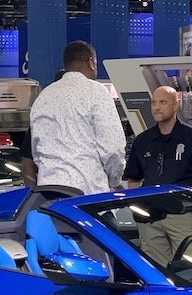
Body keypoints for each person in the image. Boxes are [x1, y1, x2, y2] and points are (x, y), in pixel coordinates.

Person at [122, 86, 192, 264]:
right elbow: (134, 180)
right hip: (149, 219)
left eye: (163, 102)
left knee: (191, 269)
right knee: (156, 272)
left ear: (176, 105)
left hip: (183, 217)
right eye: (154, 103)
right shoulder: (142, 141)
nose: (157, 107)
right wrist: (138, 208)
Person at [30, 41, 126, 195]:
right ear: (91, 62)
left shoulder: (44, 96)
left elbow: (36, 149)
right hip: (86, 192)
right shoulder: (96, 91)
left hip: (48, 191)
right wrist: (114, 180)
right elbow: (112, 148)